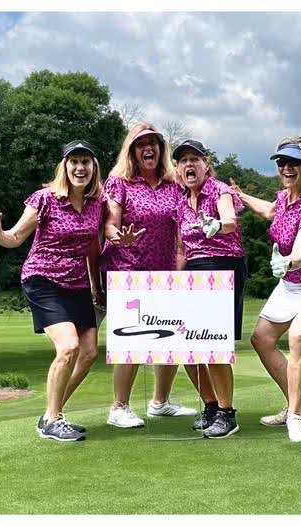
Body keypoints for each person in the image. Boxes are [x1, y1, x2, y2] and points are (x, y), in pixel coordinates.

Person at [0, 140, 105, 442]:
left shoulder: (97, 203)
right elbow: (14, 237)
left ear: (94, 168)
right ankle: (52, 419)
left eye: (86, 162)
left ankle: (52, 415)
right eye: (74, 162)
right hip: (43, 279)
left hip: (77, 282)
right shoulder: (45, 199)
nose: (80, 168)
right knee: (68, 348)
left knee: (89, 352)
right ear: (64, 167)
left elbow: (95, 244)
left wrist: (97, 282)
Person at [230, 136, 301, 442]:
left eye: (294, 162)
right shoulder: (284, 199)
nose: (287, 168)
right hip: (290, 286)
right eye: (282, 162)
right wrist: (241, 195)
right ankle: (300, 406)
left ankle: (294, 416)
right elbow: (269, 210)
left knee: (300, 335)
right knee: (262, 339)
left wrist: (287, 262)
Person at [100, 123, 197, 428]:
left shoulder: (174, 185)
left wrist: (180, 269)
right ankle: (119, 407)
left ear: (161, 149)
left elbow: (181, 233)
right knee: (133, 342)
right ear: (132, 151)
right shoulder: (120, 183)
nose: (148, 148)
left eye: (154, 142)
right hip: (128, 271)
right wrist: (118, 238)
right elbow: (110, 224)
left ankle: (160, 402)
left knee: (170, 338)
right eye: (141, 143)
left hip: (166, 271)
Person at [173, 139, 247, 439]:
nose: (189, 165)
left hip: (222, 265)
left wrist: (216, 224)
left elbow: (229, 220)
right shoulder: (180, 201)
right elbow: (180, 248)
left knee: (212, 343)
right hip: (193, 269)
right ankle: (211, 406)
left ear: (206, 165)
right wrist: (176, 279)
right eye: (183, 161)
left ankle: (227, 414)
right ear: (177, 169)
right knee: (185, 345)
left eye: (195, 159)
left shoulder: (219, 190)